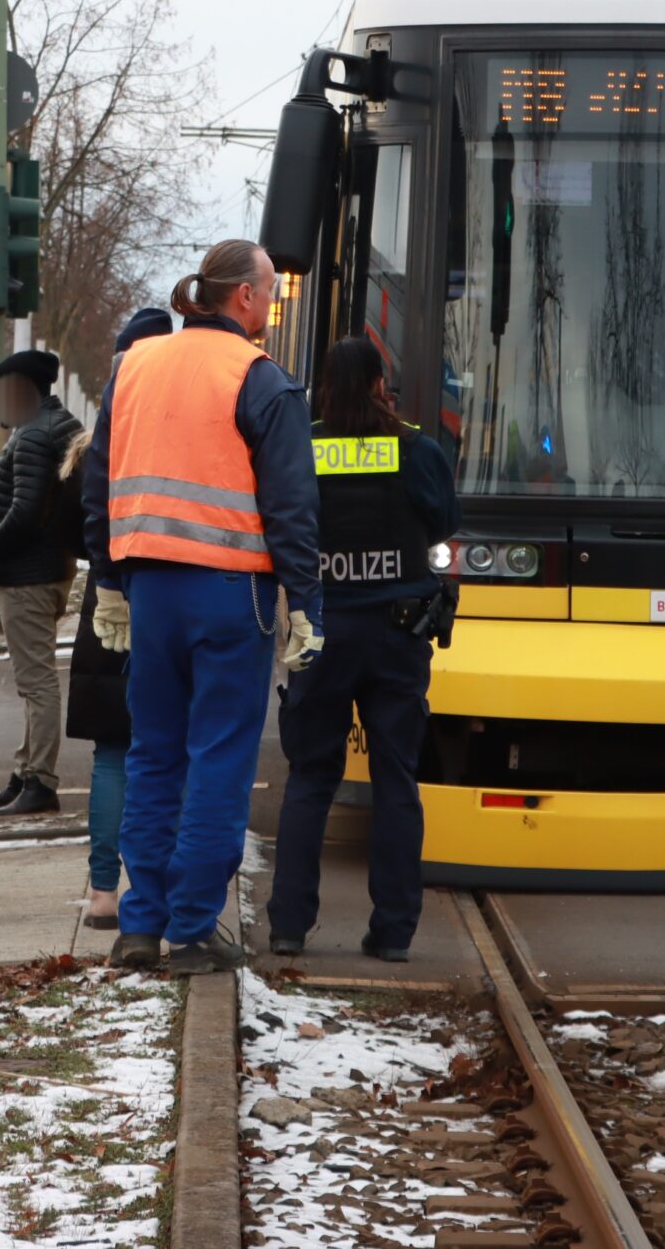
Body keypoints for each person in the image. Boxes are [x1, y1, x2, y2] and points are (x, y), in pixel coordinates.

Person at [84, 241, 322, 975]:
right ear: (244, 299)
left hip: (150, 586)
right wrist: (305, 601)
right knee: (218, 755)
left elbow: (100, 480)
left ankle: (139, 924)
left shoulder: (134, 366)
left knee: (152, 753)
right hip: (230, 593)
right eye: (271, 291)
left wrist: (110, 582)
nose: (272, 304)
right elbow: (291, 503)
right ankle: (192, 927)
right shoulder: (259, 378)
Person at [268, 336, 459, 965]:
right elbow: (443, 523)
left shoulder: (303, 448)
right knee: (395, 780)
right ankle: (394, 932)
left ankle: (290, 928)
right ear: (381, 383)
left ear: (323, 386)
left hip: (320, 632)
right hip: (397, 636)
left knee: (311, 778)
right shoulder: (416, 450)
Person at [69, 309, 172, 931]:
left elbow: (84, 522)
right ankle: (154, 889)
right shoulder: (183, 423)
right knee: (164, 751)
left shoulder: (103, 430)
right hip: (172, 591)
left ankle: (103, 894)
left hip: (108, 594)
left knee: (113, 752)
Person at [0, 348, 85, 818]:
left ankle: (40, 781)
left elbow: (26, 510)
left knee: (36, 684)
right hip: (44, 571)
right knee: (33, 682)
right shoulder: (54, 425)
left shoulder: (35, 435)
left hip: (26, 578)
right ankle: (25, 775)